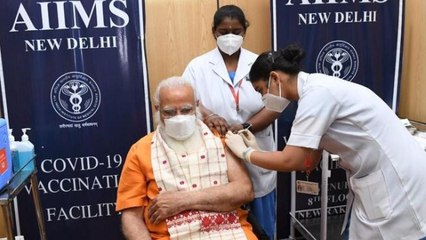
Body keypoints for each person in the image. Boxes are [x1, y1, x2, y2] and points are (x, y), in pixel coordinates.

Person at [225, 44, 426, 240]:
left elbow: (291, 161)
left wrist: (245, 153)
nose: (263, 98)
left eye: (261, 90)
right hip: (377, 178)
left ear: (275, 78)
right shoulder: (313, 92)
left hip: (397, 182)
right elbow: (308, 161)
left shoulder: (317, 95)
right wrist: (257, 148)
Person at [116, 76, 257, 240]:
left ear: (197, 106)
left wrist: (182, 200)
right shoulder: (140, 150)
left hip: (230, 230)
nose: (179, 117)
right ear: (157, 109)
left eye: (186, 110)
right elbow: (131, 217)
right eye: (169, 112)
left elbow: (244, 191)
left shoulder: (219, 139)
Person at [182, 5, 278, 239]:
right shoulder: (198, 67)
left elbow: (276, 104)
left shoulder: (261, 63)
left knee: (262, 226)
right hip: (216, 152)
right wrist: (209, 115)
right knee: (224, 226)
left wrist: (247, 126)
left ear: (245, 30)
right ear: (214, 31)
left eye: (235, 31)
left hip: (257, 148)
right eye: (223, 32)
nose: (229, 37)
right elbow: (188, 101)